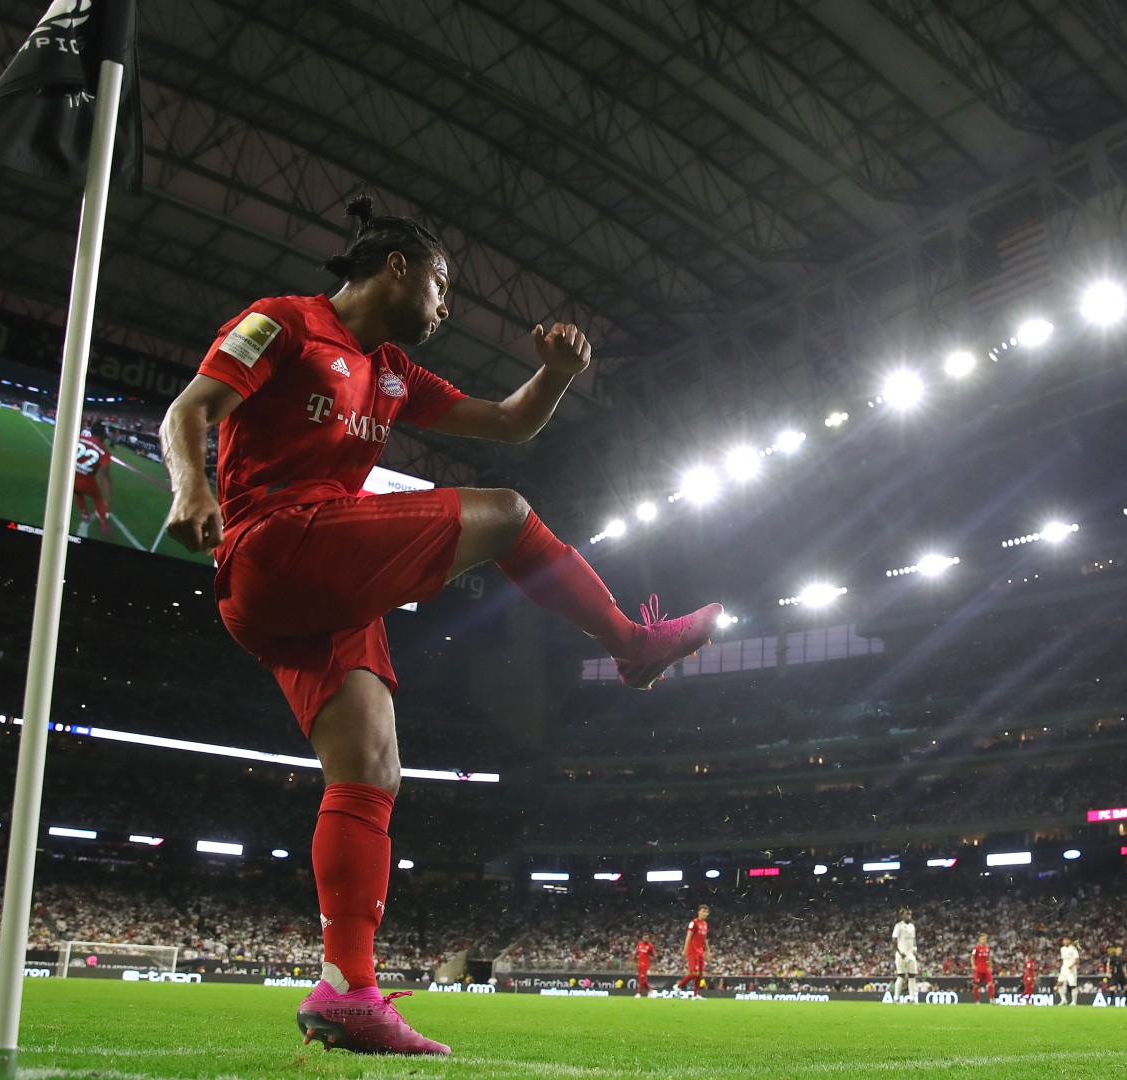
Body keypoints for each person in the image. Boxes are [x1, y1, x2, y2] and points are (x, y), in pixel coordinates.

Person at [162, 198, 721, 1055]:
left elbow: (508, 422)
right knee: (505, 513)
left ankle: (347, 989)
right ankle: (629, 645)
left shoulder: (391, 373)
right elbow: (188, 412)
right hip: (274, 542)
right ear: (398, 267)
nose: (446, 305)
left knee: (372, 770)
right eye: (442, 285)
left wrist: (559, 374)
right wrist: (192, 487)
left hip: (319, 592)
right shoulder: (282, 322)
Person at [72, 426, 113, 537]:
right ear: (102, 436)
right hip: (87, 481)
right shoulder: (104, 452)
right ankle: (103, 523)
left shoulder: (78, 438)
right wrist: (108, 498)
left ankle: (84, 513)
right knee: (98, 498)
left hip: (71, 478)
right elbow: (104, 474)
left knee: (78, 493)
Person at [676, 905, 711, 997]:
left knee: (700, 974)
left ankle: (696, 995)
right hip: (693, 950)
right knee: (694, 973)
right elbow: (689, 936)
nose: (705, 914)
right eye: (703, 911)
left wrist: (708, 951)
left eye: (706, 912)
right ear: (698, 912)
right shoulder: (694, 923)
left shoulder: (705, 924)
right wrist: (685, 949)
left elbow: (704, 939)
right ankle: (678, 986)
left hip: (700, 951)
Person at [890, 907, 919, 1003]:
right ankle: (896, 998)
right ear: (903, 915)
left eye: (910, 914)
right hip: (902, 954)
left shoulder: (912, 926)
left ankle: (912, 999)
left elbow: (914, 939)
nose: (909, 916)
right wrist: (899, 951)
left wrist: (915, 948)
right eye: (907, 914)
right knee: (901, 975)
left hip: (911, 955)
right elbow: (894, 940)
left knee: (912, 976)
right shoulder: (898, 926)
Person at [971, 933, 994, 1003]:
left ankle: (992, 999)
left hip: (986, 969)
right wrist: (973, 965)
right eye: (982, 939)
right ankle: (977, 1001)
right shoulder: (976, 948)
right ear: (980, 939)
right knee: (976, 985)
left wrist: (990, 966)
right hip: (979, 969)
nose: (984, 940)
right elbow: (972, 957)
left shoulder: (987, 948)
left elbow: (988, 958)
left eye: (985, 939)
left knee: (990, 983)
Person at [1057, 938, 1081, 1006]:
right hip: (1064, 969)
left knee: (1073, 985)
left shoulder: (1073, 949)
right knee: (1059, 984)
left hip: (1071, 969)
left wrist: (1072, 965)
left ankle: (1074, 1001)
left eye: (1066, 940)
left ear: (1069, 941)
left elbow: (1077, 959)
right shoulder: (1062, 949)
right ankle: (1063, 999)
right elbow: (1063, 959)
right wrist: (1062, 967)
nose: (1065, 941)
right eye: (1064, 940)